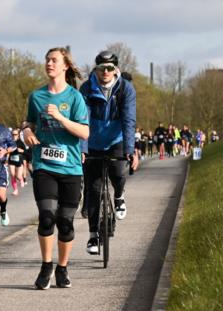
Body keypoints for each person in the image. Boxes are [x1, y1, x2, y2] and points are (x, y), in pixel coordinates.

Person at [22, 46, 89, 290]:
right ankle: (46, 265)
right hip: (44, 165)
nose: (49, 63)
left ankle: (63, 267)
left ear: (65, 66)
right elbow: (28, 121)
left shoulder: (74, 98)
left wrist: (61, 119)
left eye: (54, 60)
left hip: (71, 168)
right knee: (47, 217)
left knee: (66, 221)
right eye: (47, 60)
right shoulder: (37, 96)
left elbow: (84, 132)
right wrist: (27, 130)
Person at [80, 50, 138, 256]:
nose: (105, 72)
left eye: (109, 68)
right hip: (93, 141)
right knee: (94, 190)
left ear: (116, 69)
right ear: (95, 69)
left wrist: (130, 150)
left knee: (119, 172)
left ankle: (120, 196)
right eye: (101, 68)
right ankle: (93, 235)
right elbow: (82, 120)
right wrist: (83, 149)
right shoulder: (86, 88)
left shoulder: (125, 89)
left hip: (117, 140)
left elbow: (129, 120)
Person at [7, 127, 27, 195]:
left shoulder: (20, 142)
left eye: (15, 134)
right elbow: (6, 150)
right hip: (11, 160)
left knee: (18, 176)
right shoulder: (9, 142)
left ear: (18, 135)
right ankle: (15, 190)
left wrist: (22, 151)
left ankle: (21, 179)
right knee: (12, 175)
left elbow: (26, 152)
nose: (14, 136)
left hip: (19, 160)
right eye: (12, 134)